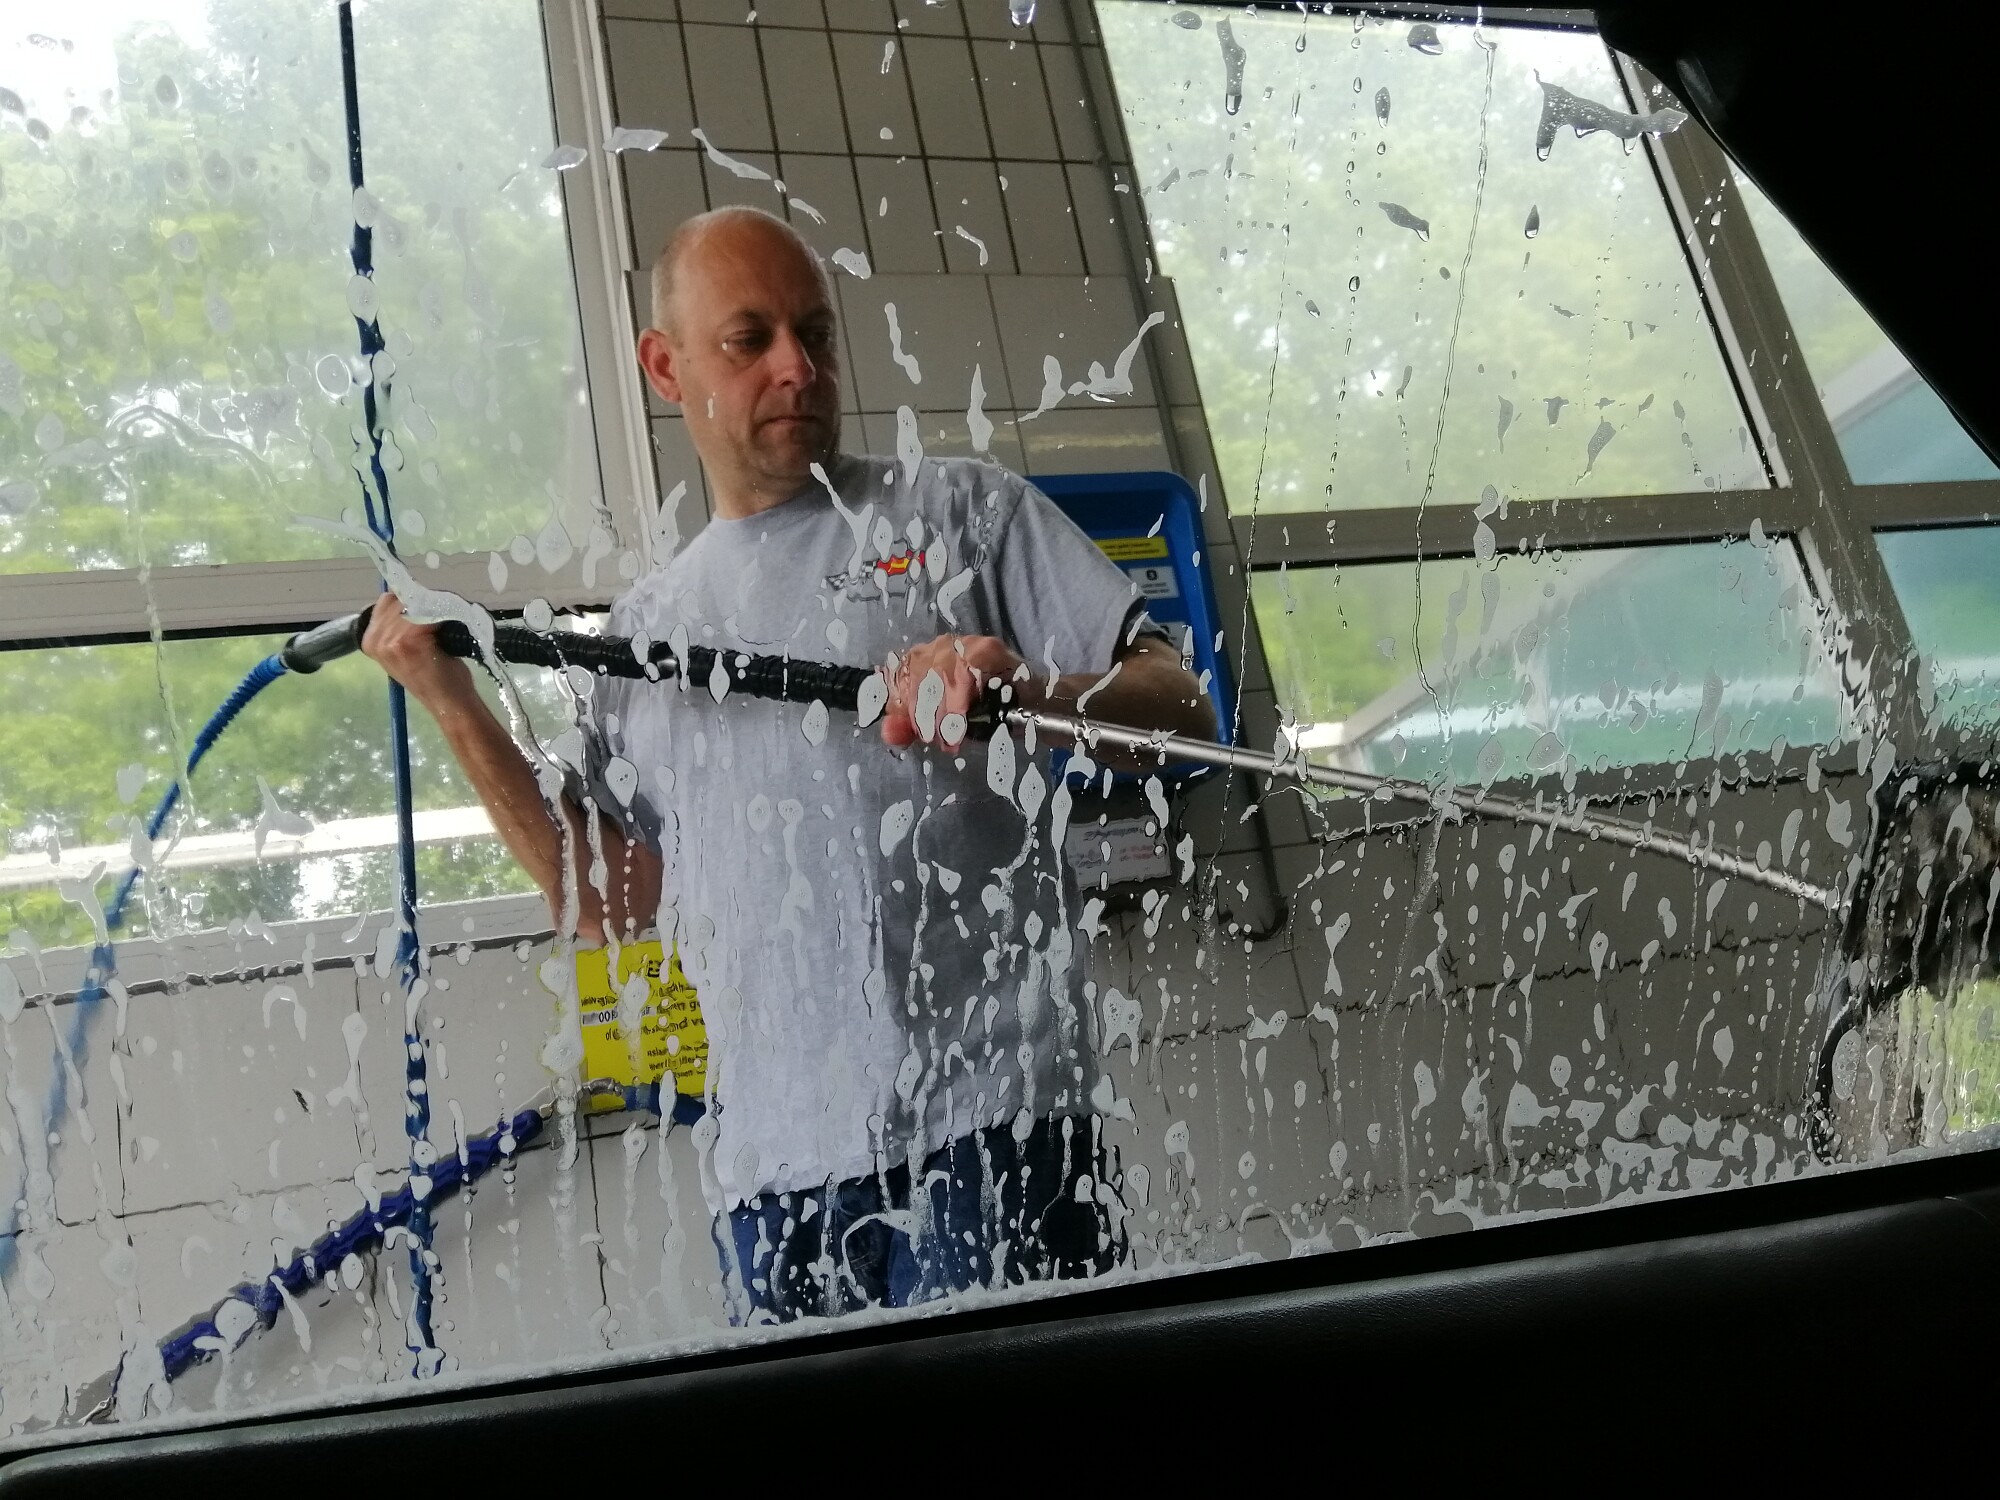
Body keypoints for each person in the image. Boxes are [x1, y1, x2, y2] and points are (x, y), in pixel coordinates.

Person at [362, 205, 1214, 1322]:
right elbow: (607, 900)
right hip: (774, 1177)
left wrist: (1021, 692)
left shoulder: (958, 511)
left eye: (813, 333)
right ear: (665, 366)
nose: (797, 368)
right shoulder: (647, 631)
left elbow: (1181, 705)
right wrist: (449, 700)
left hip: (993, 1132)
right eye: (749, 339)